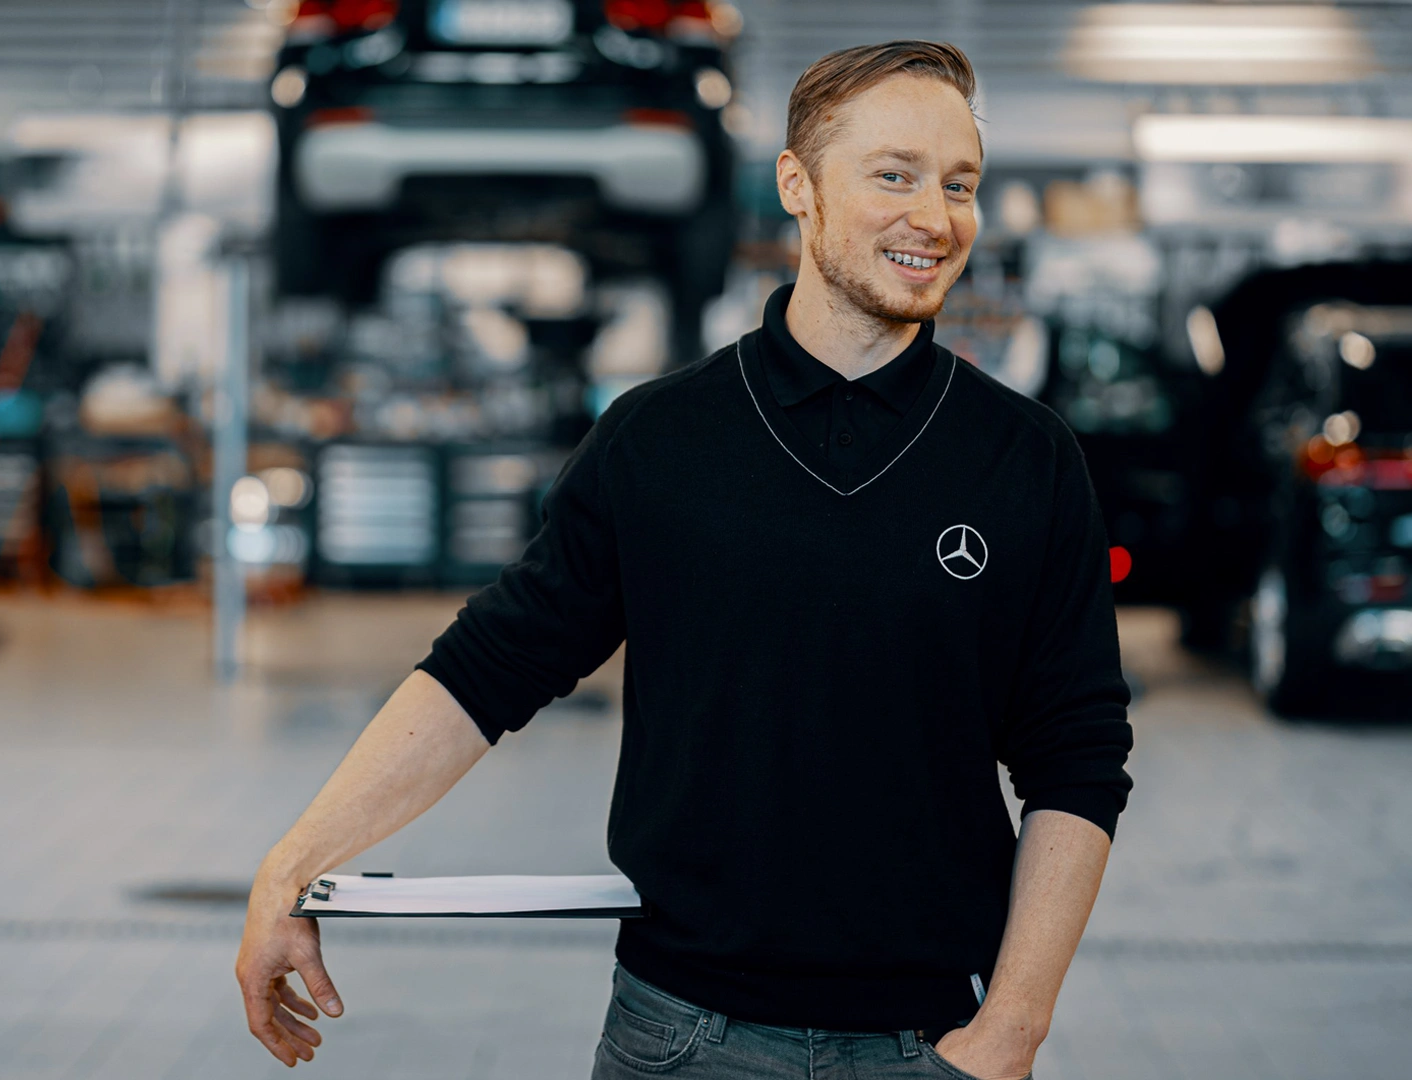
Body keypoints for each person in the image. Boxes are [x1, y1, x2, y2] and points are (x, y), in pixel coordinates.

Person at [236, 40, 1133, 1080]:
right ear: (798, 186)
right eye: (893, 174)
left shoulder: (1025, 459)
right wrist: (289, 868)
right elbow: (486, 672)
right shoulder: (659, 441)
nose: (934, 217)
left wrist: (1012, 1029)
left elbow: (1077, 755)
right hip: (680, 1039)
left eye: (959, 184)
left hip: (932, 1039)